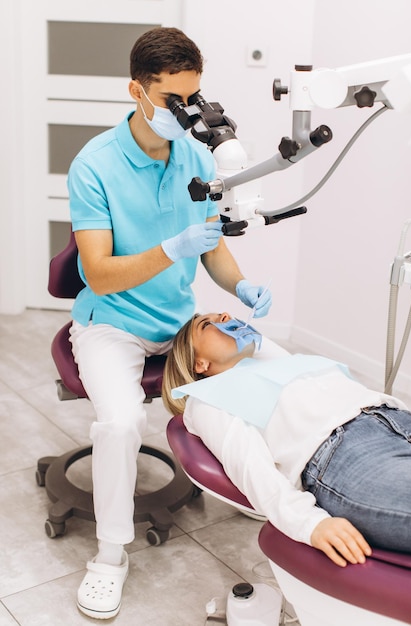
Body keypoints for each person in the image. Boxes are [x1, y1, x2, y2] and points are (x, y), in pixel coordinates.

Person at [67, 28, 272, 620]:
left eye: (195, 98)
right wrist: (171, 246)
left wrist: (238, 285)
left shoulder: (198, 155)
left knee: (263, 368)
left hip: (178, 319)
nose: (186, 115)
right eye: (174, 102)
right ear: (137, 90)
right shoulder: (94, 166)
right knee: (120, 420)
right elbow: (100, 276)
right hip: (113, 322)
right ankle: (109, 557)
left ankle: (265, 493)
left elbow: (210, 249)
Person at [162, 312, 411, 567]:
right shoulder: (208, 398)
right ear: (200, 364)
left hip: (396, 419)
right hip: (346, 457)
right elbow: (249, 465)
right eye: (207, 324)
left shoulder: (278, 363)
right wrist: (310, 523)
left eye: (225, 315)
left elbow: (262, 343)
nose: (226, 316)